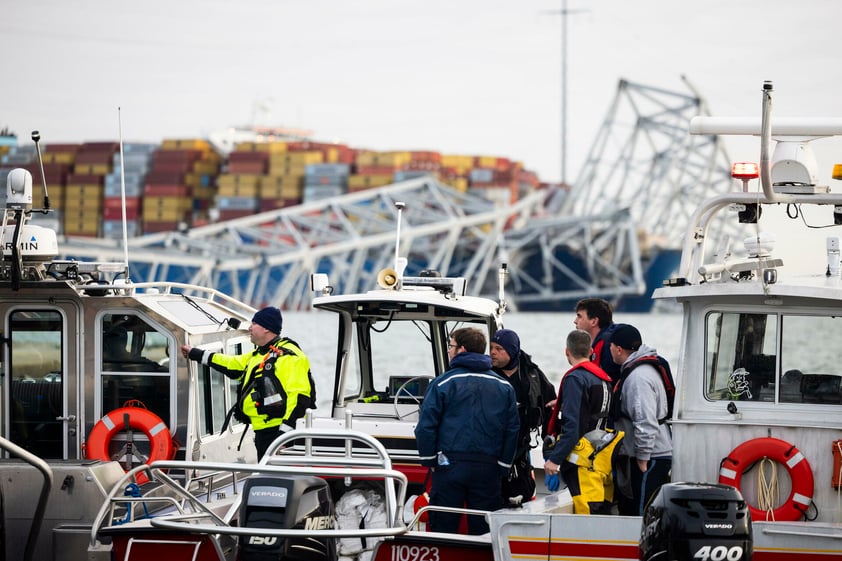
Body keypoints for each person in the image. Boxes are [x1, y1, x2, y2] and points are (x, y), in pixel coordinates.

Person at [414, 327, 519, 534]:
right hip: (489, 469)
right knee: (485, 532)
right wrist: (503, 465)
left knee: (443, 528)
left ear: (462, 349)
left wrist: (430, 461)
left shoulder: (442, 383)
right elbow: (512, 429)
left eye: (451, 346)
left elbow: (425, 427)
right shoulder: (504, 386)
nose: (448, 351)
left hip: (448, 466)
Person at [180, 306, 314, 459]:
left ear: (266, 329)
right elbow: (230, 364)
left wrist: (284, 435)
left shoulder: (289, 357)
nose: (249, 328)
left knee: (278, 479)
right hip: (264, 432)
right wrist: (195, 353)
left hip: (280, 434)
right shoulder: (260, 354)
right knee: (269, 478)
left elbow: (300, 398)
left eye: (254, 324)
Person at [543, 329, 619, 514]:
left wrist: (554, 459)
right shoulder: (603, 379)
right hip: (601, 457)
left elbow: (573, 426)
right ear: (591, 351)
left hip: (583, 462)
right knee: (601, 510)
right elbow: (596, 412)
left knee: (588, 515)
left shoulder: (575, 378)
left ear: (567, 351)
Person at [608, 324, 672, 515]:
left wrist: (643, 458)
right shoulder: (640, 370)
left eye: (610, 346)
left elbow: (646, 421)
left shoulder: (638, 379)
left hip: (651, 457)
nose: (608, 350)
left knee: (641, 514)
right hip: (650, 454)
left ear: (618, 349)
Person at [489, 328, 556, 505]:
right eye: (491, 348)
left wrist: (551, 451)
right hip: (491, 448)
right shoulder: (486, 374)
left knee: (522, 494)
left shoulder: (532, 375)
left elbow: (550, 408)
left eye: (498, 349)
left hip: (520, 449)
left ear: (511, 351)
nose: (492, 353)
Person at [574, 298, 621, 381]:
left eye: (579, 316)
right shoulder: (610, 338)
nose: (575, 321)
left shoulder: (608, 346)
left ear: (594, 321)